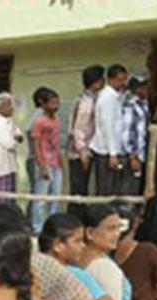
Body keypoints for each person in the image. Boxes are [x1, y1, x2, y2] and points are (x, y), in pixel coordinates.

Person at [68, 65, 105, 209]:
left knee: (82, 188)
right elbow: (78, 129)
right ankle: (75, 221)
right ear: (96, 82)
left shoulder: (91, 98)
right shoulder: (86, 102)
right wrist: (83, 152)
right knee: (79, 190)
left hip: (86, 149)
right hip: (80, 152)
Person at [91, 65, 129, 195]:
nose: (123, 83)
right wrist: (112, 153)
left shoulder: (116, 96)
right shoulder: (107, 97)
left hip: (115, 149)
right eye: (120, 80)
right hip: (105, 151)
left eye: (124, 79)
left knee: (115, 188)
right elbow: (107, 126)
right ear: (110, 80)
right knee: (106, 189)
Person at [31, 88, 63, 233]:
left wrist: (60, 160)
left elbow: (56, 143)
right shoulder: (39, 122)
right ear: (43, 104)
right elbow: (36, 144)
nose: (56, 105)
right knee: (41, 198)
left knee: (56, 195)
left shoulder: (57, 120)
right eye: (52, 102)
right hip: (44, 162)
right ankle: (38, 226)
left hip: (56, 162)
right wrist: (41, 164)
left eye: (57, 101)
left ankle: (53, 225)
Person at [0, 92, 22, 205]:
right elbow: (10, 144)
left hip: (10, 166)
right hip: (0, 169)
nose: (11, 107)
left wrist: (16, 138)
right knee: (0, 200)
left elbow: (19, 137)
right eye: (7, 104)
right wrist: (16, 138)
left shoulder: (10, 122)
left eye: (11, 104)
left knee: (10, 200)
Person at [121, 76, 151, 196]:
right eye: (144, 86)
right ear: (136, 89)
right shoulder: (130, 106)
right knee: (129, 190)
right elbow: (127, 132)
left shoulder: (143, 104)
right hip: (133, 156)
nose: (147, 89)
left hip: (142, 154)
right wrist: (133, 155)